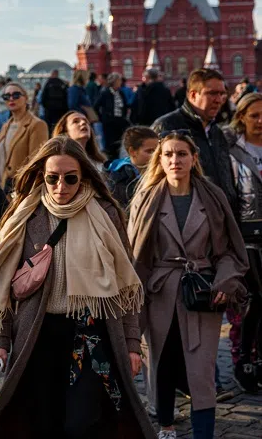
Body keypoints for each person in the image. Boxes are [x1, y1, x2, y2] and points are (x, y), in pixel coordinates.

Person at [0, 137, 153, 438]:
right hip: (38, 333)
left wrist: (133, 342)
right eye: (52, 178)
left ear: (83, 175)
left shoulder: (106, 214)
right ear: (42, 176)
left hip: (91, 334)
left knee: (83, 422)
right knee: (44, 422)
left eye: (70, 178)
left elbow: (126, 286)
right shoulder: (26, 216)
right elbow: (1, 285)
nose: (61, 186)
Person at [129, 131, 248, 439]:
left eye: (181, 153)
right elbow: (134, 254)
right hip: (159, 291)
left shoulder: (212, 195)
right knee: (162, 361)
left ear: (194, 158)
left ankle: (203, 434)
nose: (174, 160)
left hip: (203, 292)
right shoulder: (146, 197)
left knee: (201, 369)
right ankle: (166, 425)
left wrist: (225, 280)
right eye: (167, 154)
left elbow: (230, 251)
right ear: (159, 159)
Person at [153, 69, 236, 210]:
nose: (219, 100)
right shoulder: (167, 126)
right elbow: (152, 174)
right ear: (193, 94)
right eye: (212, 93)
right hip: (188, 215)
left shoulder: (217, 132)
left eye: (222, 94)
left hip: (221, 213)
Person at [227, 93, 262, 392]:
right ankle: (244, 360)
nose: (260, 121)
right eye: (254, 115)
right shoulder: (231, 150)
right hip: (246, 234)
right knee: (254, 299)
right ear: (241, 117)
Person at [0, 82, 49, 192]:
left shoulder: (37, 125)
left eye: (16, 95)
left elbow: (36, 163)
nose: (11, 99)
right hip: (0, 191)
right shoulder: (6, 126)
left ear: (26, 98)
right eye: (6, 96)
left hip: (20, 191)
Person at [106, 126, 158, 210]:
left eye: (158, 150)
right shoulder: (116, 178)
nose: (156, 155)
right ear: (132, 151)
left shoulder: (164, 171)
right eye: (150, 151)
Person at [94, 72, 131, 158]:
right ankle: (110, 161)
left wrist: (124, 116)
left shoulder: (120, 92)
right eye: (119, 80)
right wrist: (102, 117)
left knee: (118, 142)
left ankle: (117, 160)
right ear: (114, 81)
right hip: (109, 122)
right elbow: (96, 106)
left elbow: (124, 106)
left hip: (120, 121)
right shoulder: (105, 93)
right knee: (110, 143)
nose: (120, 82)